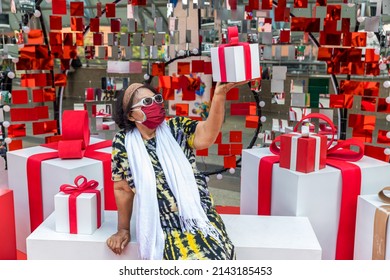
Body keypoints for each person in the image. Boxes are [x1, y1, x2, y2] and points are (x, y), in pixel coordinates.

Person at [107, 81, 246, 260]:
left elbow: (206, 135)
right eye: (146, 103)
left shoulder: (176, 128)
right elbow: (123, 189)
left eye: (156, 99)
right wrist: (123, 229)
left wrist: (219, 96)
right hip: (162, 224)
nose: (155, 104)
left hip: (199, 217)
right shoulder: (122, 143)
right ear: (131, 116)